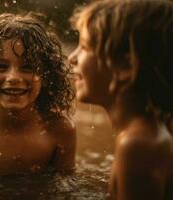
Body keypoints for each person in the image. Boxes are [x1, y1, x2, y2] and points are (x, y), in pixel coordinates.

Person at [68, 0, 173, 199]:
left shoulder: (138, 145)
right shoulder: (155, 132)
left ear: (125, 66)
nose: (71, 58)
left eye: (84, 47)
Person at [0, 13, 76, 176]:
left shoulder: (60, 130)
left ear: (46, 76)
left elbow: (67, 187)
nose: (13, 78)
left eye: (27, 67)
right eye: (0, 66)